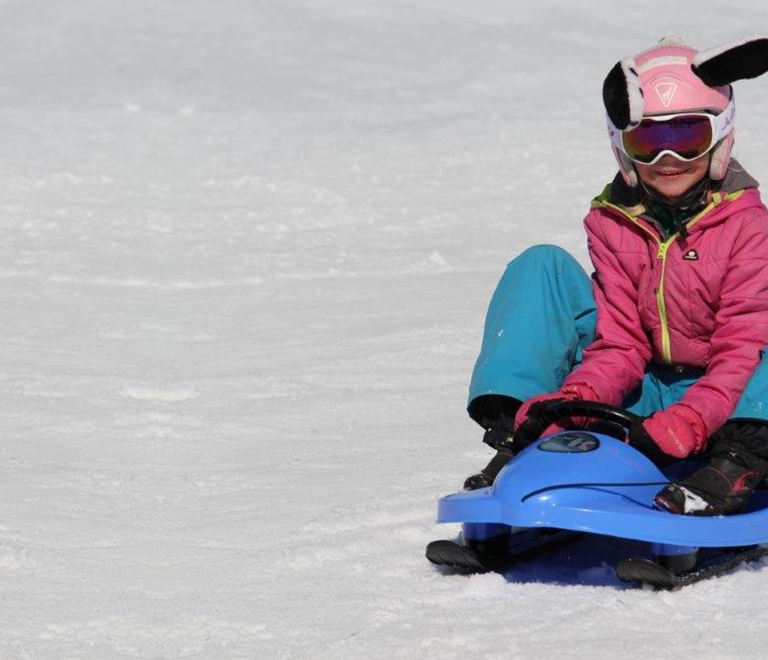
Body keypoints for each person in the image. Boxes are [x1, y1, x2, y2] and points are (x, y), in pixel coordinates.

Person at [463, 35, 768, 516]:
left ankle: (738, 465)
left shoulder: (748, 226)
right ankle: (520, 439)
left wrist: (693, 418)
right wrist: (572, 403)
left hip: (739, 400)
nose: (667, 159)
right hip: (652, 397)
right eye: (647, 142)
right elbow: (621, 343)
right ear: (621, 146)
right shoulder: (613, 222)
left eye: (687, 137)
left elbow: (743, 348)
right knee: (541, 266)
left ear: (720, 137)